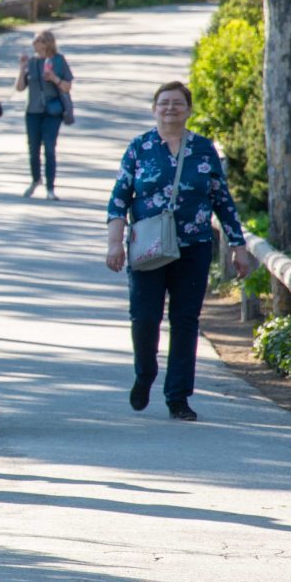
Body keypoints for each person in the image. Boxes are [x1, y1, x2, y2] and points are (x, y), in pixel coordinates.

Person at [105, 81, 250, 421]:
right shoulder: (139, 147)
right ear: (154, 109)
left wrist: (238, 246)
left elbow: (222, 199)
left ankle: (178, 397)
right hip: (148, 247)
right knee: (144, 317)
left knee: (185, 321)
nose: (170, 108)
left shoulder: (202, 149)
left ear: (188, 110)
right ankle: (145, 374)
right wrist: (115, 244)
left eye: (177, 103)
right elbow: (118, 199)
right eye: (164, 103)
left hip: (194, 247)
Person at [15, 30, 73, 201]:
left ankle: (50, 188)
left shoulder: (58, 60)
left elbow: (67, 86)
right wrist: (22, 68)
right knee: (33, 149)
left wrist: (54, 78)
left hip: (52, 112)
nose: (34, 43)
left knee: (49, 148)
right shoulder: (31, 62)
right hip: (32, 111)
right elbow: (19, 88)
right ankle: (35, 179)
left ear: (47, 43)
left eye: (38, 40)